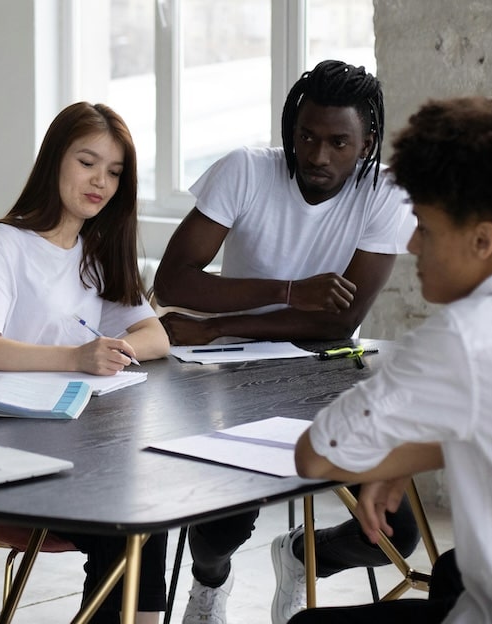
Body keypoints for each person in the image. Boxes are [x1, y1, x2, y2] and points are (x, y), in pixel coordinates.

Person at [291, 91, 492, 623]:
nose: (413, 246)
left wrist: (399, 450)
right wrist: (419, 450)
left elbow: (318, 453)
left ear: (482, 240)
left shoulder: (466, 337)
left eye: (424, 225)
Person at [151, 60, 419, 624]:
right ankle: (209, 582)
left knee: (396, 532)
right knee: (220, 523)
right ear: (290, 130)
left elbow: (337, 326)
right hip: (228, 371)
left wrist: (220, 322)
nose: (318, 156)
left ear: (367, 142)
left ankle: (301, 556)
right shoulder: (245, 170)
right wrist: (290, 292)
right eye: (306, 137)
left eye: (339, 142)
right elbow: (173, 282)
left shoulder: (384, 193)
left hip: (323, 369)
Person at [0, 101, 172, 623]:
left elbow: (156, 334)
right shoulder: (5, 242)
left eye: (115, 172)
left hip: (57, 437)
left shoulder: (97, 252)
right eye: (87, 162)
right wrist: (76, 356)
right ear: (55, 161)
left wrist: (114, 351)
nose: (101, 182)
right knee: (125, 518)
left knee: (148, 507)